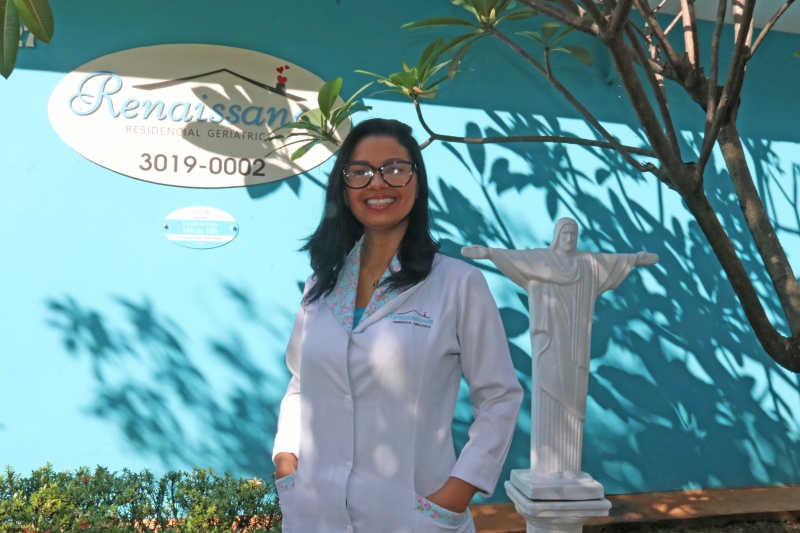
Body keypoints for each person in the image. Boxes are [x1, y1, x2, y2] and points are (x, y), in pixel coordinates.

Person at [271, 118, 523, 533]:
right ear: (343, 188)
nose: (377, 182)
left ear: (417, 182)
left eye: (394, 168)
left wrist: (456, 494)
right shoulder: (322, 283)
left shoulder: (458, 283)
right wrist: (286, 461)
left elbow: (499, 396)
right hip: (316, 514)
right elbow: (300, 384)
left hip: (413, 517)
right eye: (360, 171)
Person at [462, 218, 658, 481]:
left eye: (572, 234)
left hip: (576, 346)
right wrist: (488, 253)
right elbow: (515, 258)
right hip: (548, 344)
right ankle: (545, 467)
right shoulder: (542, 261)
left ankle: (568, 467)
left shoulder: (585, 265)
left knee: (572, 403)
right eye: (564, 233)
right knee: (549, 398)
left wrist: (634, 259)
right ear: (557, 236)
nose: (568, 238)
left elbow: (611, 262)